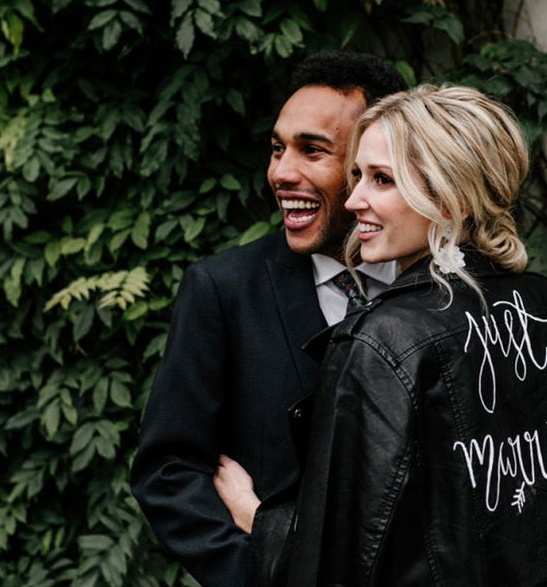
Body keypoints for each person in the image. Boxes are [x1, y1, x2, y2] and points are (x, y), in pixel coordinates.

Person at [215, 84, 547, 586]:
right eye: (358, 177)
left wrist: (254, 515)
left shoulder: (381, 342)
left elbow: (342, 561)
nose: (353, 200)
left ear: (448, 194)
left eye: (381, 180)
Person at [130, 51, 407, 587]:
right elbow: (168, 471)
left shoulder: (438, 290)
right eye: (278, 148)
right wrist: (256, 571)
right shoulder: (223, 290)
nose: (281, 172)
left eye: (312, 150)